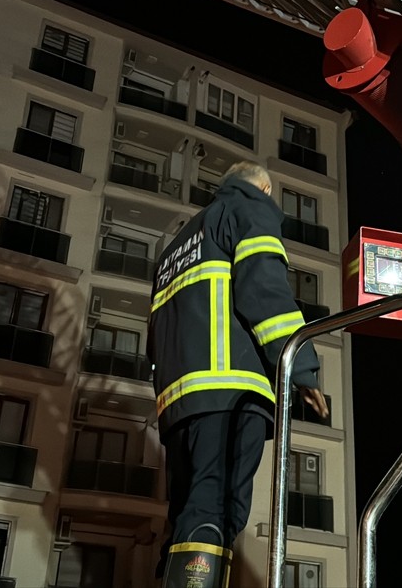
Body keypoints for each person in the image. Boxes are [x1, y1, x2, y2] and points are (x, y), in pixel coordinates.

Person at [149, 160, 329, 587]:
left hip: (178, 404)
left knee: (186, 515)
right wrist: (301, 368)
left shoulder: (179, 243)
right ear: (263, 188)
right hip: (230, 390)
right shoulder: (249, 209)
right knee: (217, 511)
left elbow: (155, 331)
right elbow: (264, 288)